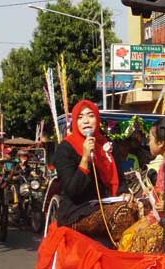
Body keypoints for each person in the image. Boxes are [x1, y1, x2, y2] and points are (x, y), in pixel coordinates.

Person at [53, 100, 134, 244]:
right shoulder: (65, 148)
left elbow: (120, 181)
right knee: (122, 215)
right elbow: (73, 190)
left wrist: (124, 193)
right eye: (80, 117)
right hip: (78, 211)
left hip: (108, 204)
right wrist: (85, 159)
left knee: (141, 210)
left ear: (97, 119)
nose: (85, 121)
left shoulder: (106, 145)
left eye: (90, 116)